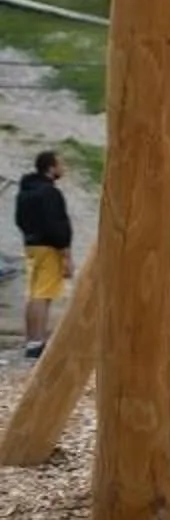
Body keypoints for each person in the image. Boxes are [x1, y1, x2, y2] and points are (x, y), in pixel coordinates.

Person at [15, 149, 75, 361]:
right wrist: (65, 253)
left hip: (31, 245)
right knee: (43, 294)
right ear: (51, 168)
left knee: (32, 293)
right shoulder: (50, 193)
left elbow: (19, 220)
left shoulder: (26, 191)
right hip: (49, 247)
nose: (63, 168)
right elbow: (56, 225)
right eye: (61, 164)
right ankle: (38, 342)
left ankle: (30, 340)